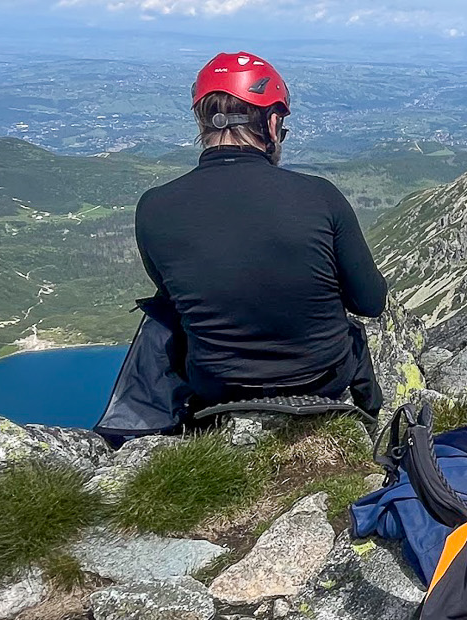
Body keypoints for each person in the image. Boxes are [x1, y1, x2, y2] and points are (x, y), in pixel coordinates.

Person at [133, 51, 388, 413]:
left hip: (216, 387)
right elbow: (371, 302)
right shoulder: (319, 196)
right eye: (280, 126)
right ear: (270, 125)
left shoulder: (153, 207)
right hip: (321, 378)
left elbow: (173, 301)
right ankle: (368, 424)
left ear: (202, 124)